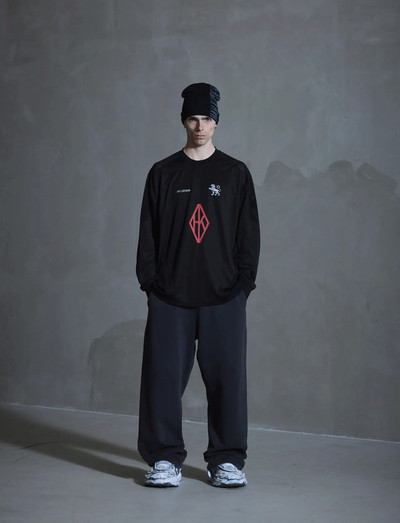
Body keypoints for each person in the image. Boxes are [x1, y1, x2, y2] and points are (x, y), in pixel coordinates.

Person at [136, 82, 260, 487]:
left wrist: (242, 285)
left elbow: (248, 235)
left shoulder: (234, 173)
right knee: (162, 380)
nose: (200, 127)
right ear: (184, 121)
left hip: (223, 295)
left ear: (217, 122)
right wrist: (151, 284)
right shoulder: (164, 172)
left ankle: (227, 460)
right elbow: (148, 233)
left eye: (207, 119)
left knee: (228, 380)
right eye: (193, 118)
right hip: (171, 295)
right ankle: (164, 458)